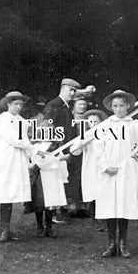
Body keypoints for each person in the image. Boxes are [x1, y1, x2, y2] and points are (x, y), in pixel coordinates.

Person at [95, 90, 138, 258]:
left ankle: (123, 244)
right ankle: (111, 243)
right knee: (110, 206)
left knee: (123, 205)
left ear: (128, 106)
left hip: (127, 170)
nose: (118, 109)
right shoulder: (105, 125)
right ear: (111, 107)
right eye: (115, 106)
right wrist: (105, 166)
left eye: (121, 105)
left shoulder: (133, 125)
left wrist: (137, 156)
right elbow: (98, 149)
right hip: (109, 170)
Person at [0, 91, 45, 241]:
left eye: (20, 104)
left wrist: (34, 155)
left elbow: (24, 141)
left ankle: (6, 230)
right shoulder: (2, 119)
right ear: (8, 104)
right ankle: (4, 230)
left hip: (16, 160)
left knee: (10, 193)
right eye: (15, 104)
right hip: (4, 160)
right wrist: (35, 149)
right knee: (5, 193)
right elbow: (16, 140)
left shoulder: (22, 121)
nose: (18, 107)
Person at [43, 78, 81, 224]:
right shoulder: (54, 105)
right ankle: (54, 214)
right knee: (56, 181)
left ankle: (60, 212)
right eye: (70, 90)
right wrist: (57, 150)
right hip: (57, 150)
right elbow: (48, 129)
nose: (72, 93)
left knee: (63, 180)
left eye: (74, 91)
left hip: (66, 149)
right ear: (63, 88)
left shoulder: (65, 106)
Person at [70, 109, 108, 231]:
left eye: (96, 121)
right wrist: (82, 142)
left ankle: (106, 221)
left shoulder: (106, 134)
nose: (94, 124)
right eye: (91, 121)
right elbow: (74, 151)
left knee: (104, 193)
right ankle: (95, 220)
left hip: (104, 166)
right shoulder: (84, 135)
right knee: (92, 193)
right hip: (90, 167)